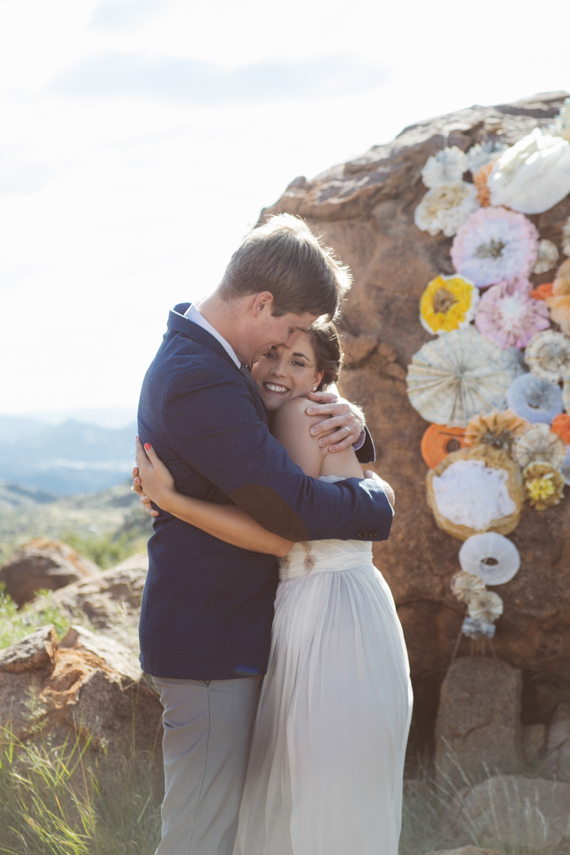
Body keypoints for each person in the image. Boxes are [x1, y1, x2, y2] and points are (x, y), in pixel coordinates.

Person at [135, 213, 395, 855]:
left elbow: (283, 452)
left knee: (239, 827)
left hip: (245, 634)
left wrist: (356, 433)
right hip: (209, 642)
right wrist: (377, 505)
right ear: (262, 302)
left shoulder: (215, 363)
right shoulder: (198, 377)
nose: (294, 341)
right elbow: (291, 513)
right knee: (202, 835)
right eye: (293, 327)